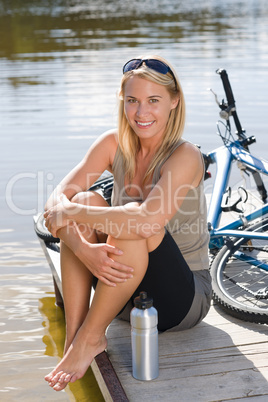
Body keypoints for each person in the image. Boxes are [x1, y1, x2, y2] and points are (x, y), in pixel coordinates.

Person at [43, 55, 212, 391]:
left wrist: (72, 216)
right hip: (122, 293)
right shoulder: (113, 144)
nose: (141, 113)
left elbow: (147, 220)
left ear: (174, 102)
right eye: (132, 101)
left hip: (181, 300)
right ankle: (76, 338)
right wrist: (84, 248)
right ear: (123, 102)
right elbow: (54, 203)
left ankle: (91, 338)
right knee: (87, 199)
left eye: (153, 101)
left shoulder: (186, 155)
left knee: (132, 221)